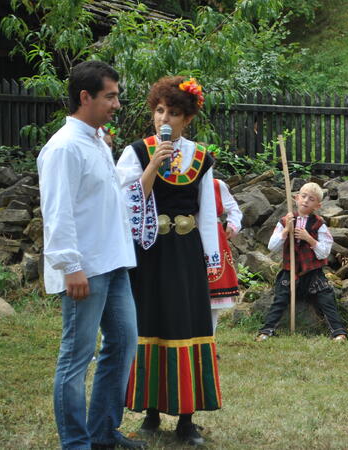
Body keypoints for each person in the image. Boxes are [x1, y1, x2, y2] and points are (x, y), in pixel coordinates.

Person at [39, 60, 144, 449]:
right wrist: (70, 266)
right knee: (76, 358)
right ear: (85, 97)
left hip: (114, 262)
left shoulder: (96, 141)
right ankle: (76, 444)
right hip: (85, 269)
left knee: (123, 343)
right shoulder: (64, 148)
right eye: (110, 96)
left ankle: (102, 432)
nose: (117, 103)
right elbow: (57, 210)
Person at [116, 76, 221, 446]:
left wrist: (212, 258)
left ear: (187, 118)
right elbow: (125, 203)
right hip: (150, 252)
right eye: (160, 110)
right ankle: (150, 412)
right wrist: (153, 166)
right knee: (152, 321)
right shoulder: (137, 152)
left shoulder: (201, 157)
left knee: (186, 324)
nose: (165, 118)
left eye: (174, 113)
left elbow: (207, 211)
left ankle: (187, 419)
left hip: (186, 252)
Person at [255, 182, 348, 341]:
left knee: (326, 296)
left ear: (317, 206)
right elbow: (272, 246)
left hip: (313, 272)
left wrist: (309, 239)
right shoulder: (285, 221)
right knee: (280, 297)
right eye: (303, 196)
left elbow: (324, 252)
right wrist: (286, 231)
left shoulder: (319, 225)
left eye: (311, 199)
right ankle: (267, 330)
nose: (306, 200)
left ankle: (338, 332)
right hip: (289, 270)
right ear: (296, 198)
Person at [209, 178, 242, 336]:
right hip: (184, 238)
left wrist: (232, 224)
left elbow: (234, 209)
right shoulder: (174, 181)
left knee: (213, 296)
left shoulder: (216, 185)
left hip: (213, 241)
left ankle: (210, 340)